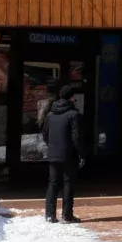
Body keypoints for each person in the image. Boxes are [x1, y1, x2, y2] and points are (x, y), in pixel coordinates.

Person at [42, 85, 85, 223]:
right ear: (71, 97)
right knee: (68, 183)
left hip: (53, 154)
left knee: (53, 183)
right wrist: (81, 153)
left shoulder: (50, 114)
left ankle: (50, 214)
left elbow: (45, 135)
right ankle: (67, 215)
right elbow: (76, 137)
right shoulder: (74, 115)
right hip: (69, 154)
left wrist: (52, 146)